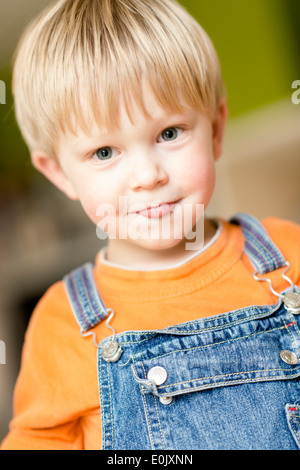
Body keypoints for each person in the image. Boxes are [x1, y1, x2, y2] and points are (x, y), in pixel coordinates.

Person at [1, 0, 300, 450]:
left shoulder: (287, 252)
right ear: (59, 172)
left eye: (169, 133)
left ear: (216, 129)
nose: (147, 176)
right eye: (104, 152)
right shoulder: (62, 324)